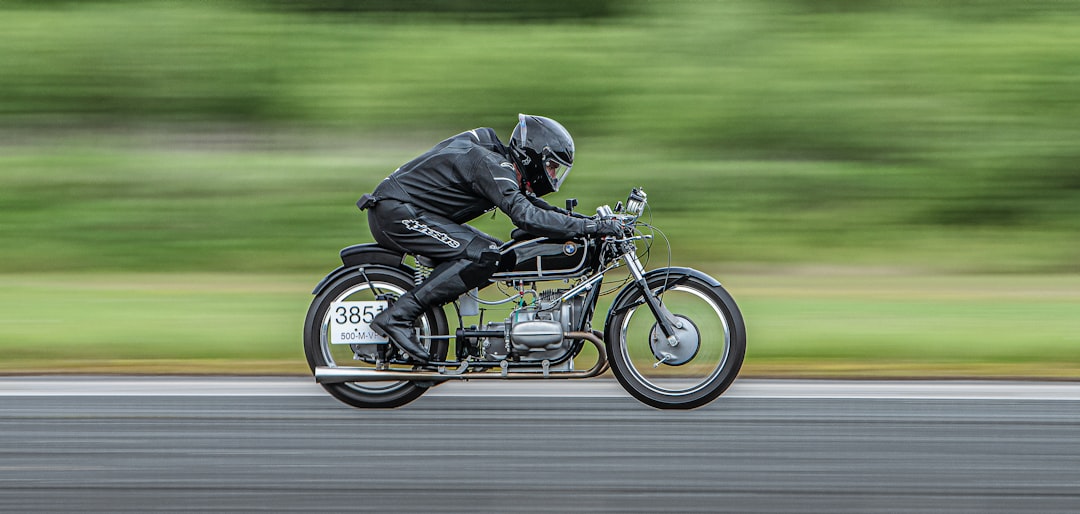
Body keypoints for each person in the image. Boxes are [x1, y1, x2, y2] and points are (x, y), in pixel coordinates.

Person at [357, 113, 625, 363]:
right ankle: (398, 316)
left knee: (500, 255)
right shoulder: (491, 164)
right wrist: (589, 228)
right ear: (533, 156)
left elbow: (536, 208)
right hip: (396, 214)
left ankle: (464, 326)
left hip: (409, 211)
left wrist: (591, 223)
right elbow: (526, 216)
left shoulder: (498, 163)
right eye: (552, 167)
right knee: (484, 255)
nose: (553, 176)